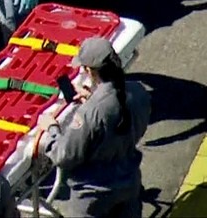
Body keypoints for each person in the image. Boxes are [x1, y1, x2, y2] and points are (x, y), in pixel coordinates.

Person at [38, 36, 152, 217]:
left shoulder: (89, 113)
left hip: (93, 195)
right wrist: (94, 97)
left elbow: (64, 155)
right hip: (129, 181)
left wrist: (52, 129)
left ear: (90, 71)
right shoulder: (138, 92)